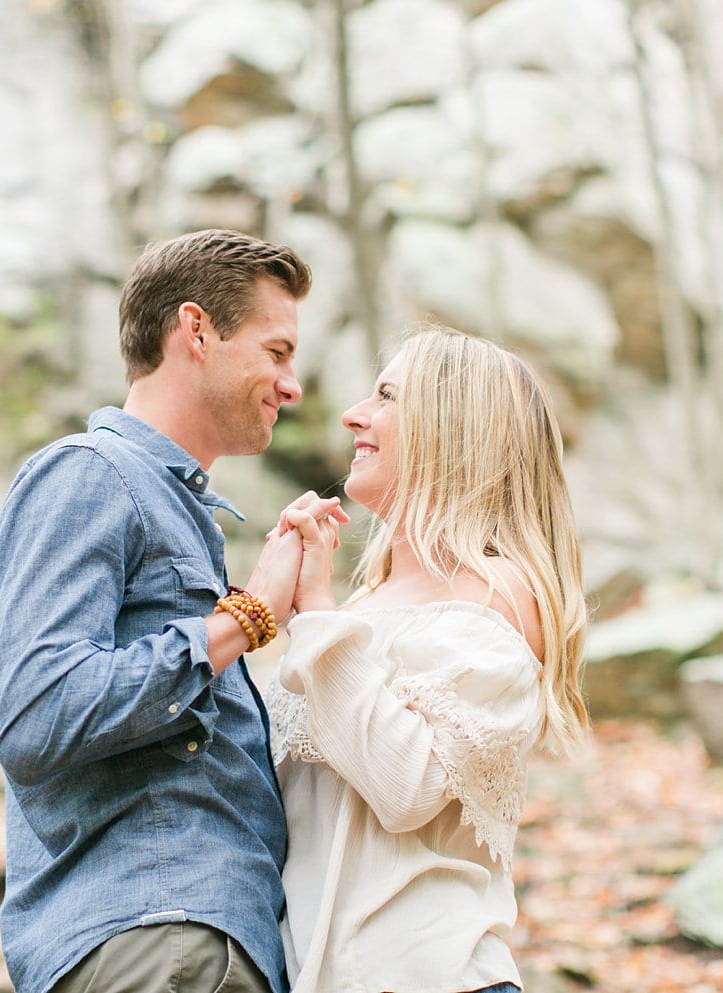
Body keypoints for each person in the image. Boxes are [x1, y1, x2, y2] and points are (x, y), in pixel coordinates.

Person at [0, 229, 346, 993]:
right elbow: (37, 714)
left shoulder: (182, 515)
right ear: (197, 330)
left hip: (203, 944)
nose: (292, 384)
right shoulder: (89, 474)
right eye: (276, 351)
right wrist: (241, 618)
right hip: (160, 941)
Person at [266, 327, 592, 993]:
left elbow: (405, 785)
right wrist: (264, 611)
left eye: (386, 397)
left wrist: (318, 609)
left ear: (452, 428)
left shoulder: (500, 594)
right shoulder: (361, 604)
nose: (354, 414)